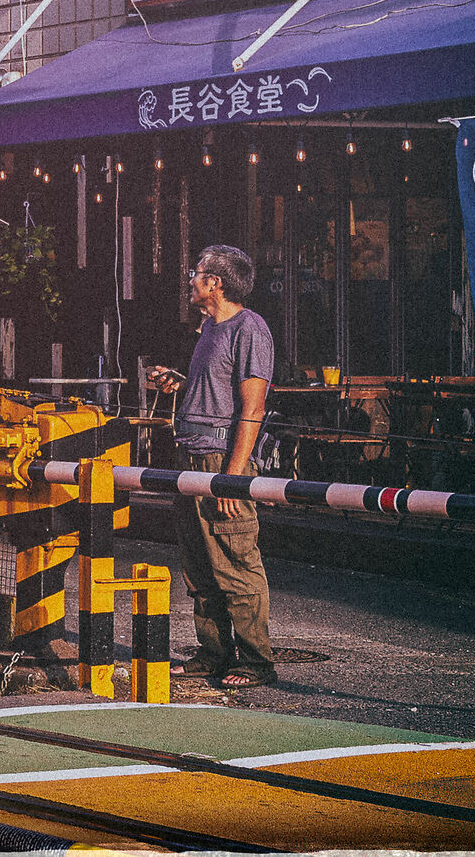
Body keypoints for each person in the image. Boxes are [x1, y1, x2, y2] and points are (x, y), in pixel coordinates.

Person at [147, 244, 277, 689]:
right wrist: (180, 384)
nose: (190, 279)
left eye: (195, 272)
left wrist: (235, 478)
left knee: (235, 560)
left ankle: (257, 660)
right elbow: (215, 392)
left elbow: (253, 407)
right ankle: (214, 652)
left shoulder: (250, 329)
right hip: (190, 456)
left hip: (221, 459)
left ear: (215, 283)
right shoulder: (209, 329)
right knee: (199, 564)